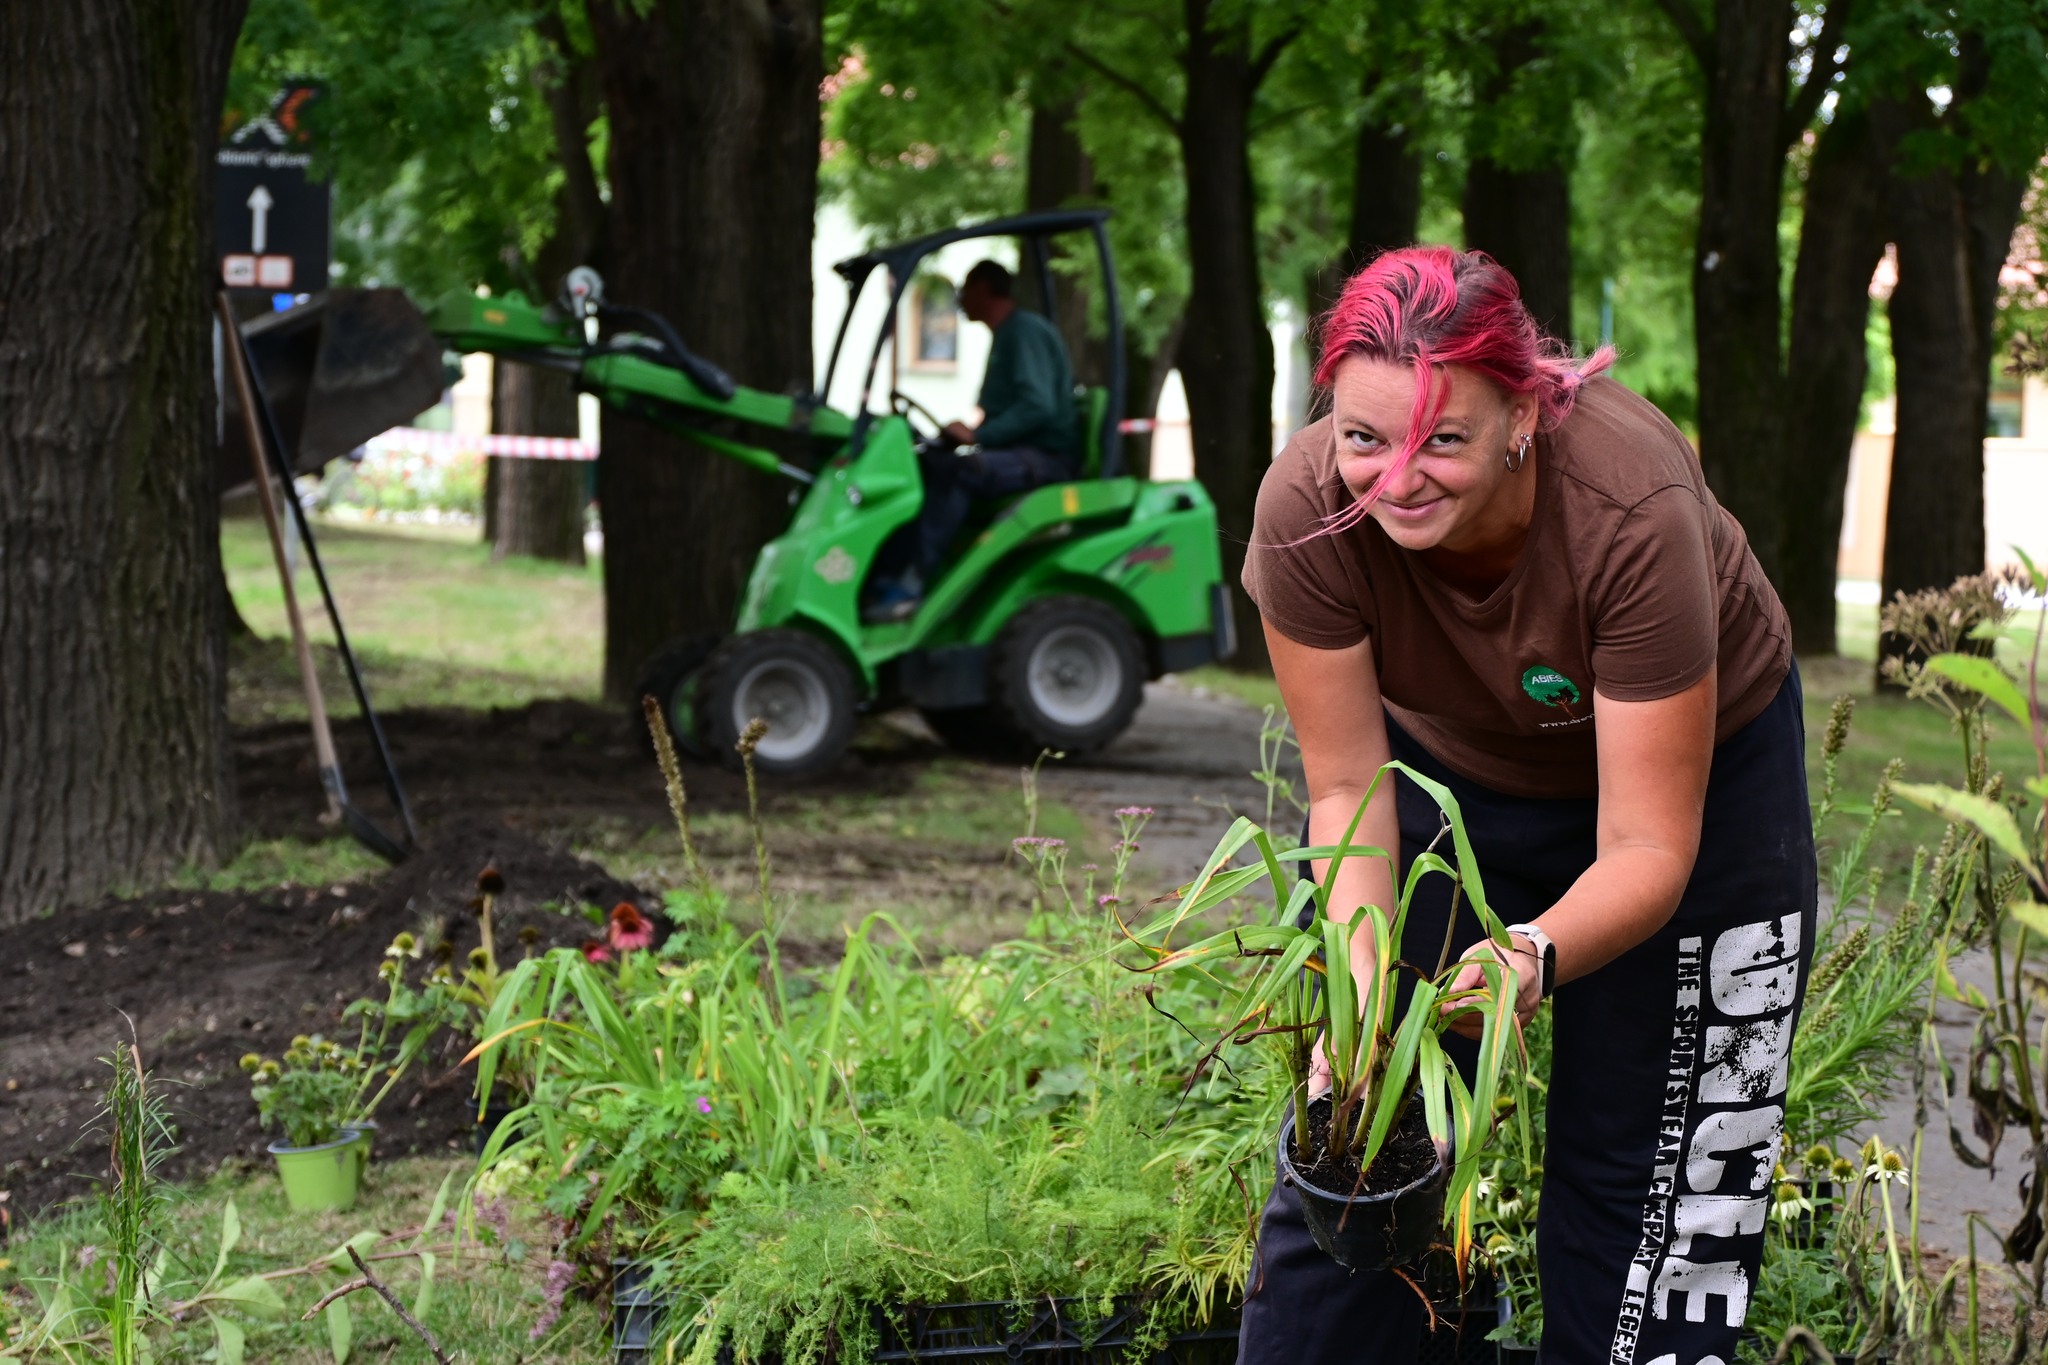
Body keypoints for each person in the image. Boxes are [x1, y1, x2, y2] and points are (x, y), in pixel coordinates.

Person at [1236, 247, 1811, 1365]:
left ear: (1522, 416)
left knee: (1652, 1186)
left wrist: (1531, 958)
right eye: (1362, 437)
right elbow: (1350, 792)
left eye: (1439, 440)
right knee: (1356, 1145)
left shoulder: (1628, 508)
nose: (1393, 477)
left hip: (1696, 792)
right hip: (1444, 787)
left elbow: (1647, 843)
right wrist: (1363, 1006)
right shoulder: (1306, 505)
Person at [866, 259, 1078, 620]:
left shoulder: (1023, 333)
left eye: (966, 289)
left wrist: (980, 436)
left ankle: (913, 582)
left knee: (959, 471)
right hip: (1020, 451)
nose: (961, 298)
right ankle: (882, 576)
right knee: (925, 464)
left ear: (983, 289)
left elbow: (1037, 406)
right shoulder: (1007, 336)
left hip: (1045, 457)